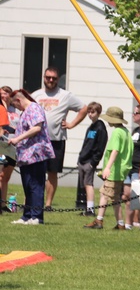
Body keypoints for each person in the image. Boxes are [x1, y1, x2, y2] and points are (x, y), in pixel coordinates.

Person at [31, 68, 88, 210]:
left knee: (52, 172)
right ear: (44, 77)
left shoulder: (65, 95)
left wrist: (71, 124)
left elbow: (83, 108)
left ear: (57, 80)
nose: (51, 80)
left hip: (56, 139)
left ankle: (48, 204)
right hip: (37, 140)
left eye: (54, 78)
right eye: (48, 77)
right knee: (34, 172)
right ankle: (31, 202)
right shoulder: (36, 95)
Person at [6, 89, 55, 224]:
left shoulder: (34, 108)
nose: (16, 107)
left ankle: (37, 217)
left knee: (36, 185)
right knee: (27, 185)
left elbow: (36, 128)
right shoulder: (25, 112)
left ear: (18, 100)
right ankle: (27, 216)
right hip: (25, 155)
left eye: (15, 105)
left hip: (36, 153)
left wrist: (17, 139)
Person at [84, 107, 134, 230]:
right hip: (122, 169)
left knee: (105, 195)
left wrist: (107, 167)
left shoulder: (117, 132)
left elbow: (115, 150)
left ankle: (99, 221)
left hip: (115, 170)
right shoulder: (126, 132)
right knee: (113, 197)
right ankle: (120, 224)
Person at [76, 102, 108, 217]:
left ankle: (90, 210)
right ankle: (86, 207)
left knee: (89, 184)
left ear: (98, 113)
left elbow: (100, 146)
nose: (90, 114)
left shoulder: (100, 127)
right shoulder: (90, 127)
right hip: (83, 160)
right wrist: (80, 158)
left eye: (92, 112)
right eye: (88, 112)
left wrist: (93, 162)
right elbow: (86, 143)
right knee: (84, 185)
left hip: (90, 161)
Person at [1, 85, 17, 213]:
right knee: (0, 176)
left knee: (6, 177)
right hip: (1, 146)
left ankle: (3, 204)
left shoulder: (15, 110)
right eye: (1, 93)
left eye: (6, 94)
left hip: (12, 147)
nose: (3, 96)